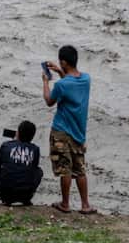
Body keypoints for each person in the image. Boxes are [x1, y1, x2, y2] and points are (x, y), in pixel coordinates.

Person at [43, 45, 95, 214]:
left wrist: (45, 83)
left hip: (62, 131)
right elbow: (71, 83)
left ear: (64, 62)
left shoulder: (61, 85)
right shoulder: (86, 79)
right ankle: (85, 205)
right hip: (79, 133)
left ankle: (65, 204)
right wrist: (60, 71)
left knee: (65, 169)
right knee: (80, 169)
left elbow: (50, 101)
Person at [0, 120, 44, 205]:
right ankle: (26, 199)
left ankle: (5, 199)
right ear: (32, 137)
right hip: (26, 194)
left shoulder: (6, 145)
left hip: (6, 194)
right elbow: (34, 168)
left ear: (18, 133)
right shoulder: (35, 149)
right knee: (39, 171)